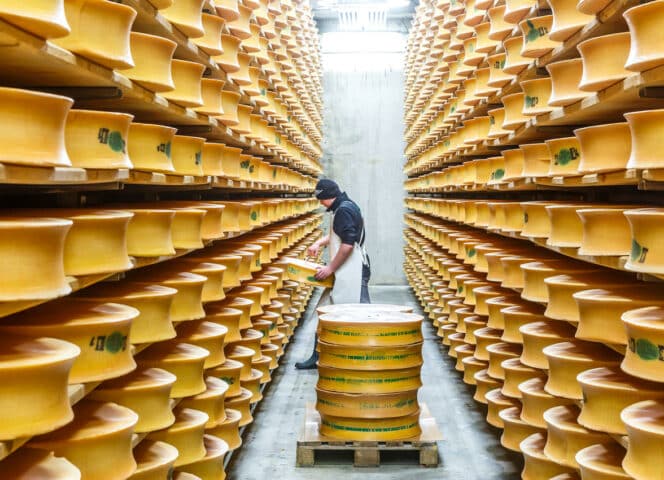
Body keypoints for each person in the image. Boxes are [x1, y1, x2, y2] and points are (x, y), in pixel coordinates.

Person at [295, 179, 371, 370]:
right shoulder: (347, 205)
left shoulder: (343, 210)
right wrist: (319, 243)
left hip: (352, 270)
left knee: (358, 315)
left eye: (321, 199)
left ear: (328, 196)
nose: (320, 203)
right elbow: (340, 234)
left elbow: (346, 245)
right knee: (327, 312)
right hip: (348, 270)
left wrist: (330, 269)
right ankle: (319, 356)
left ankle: (362, 357)